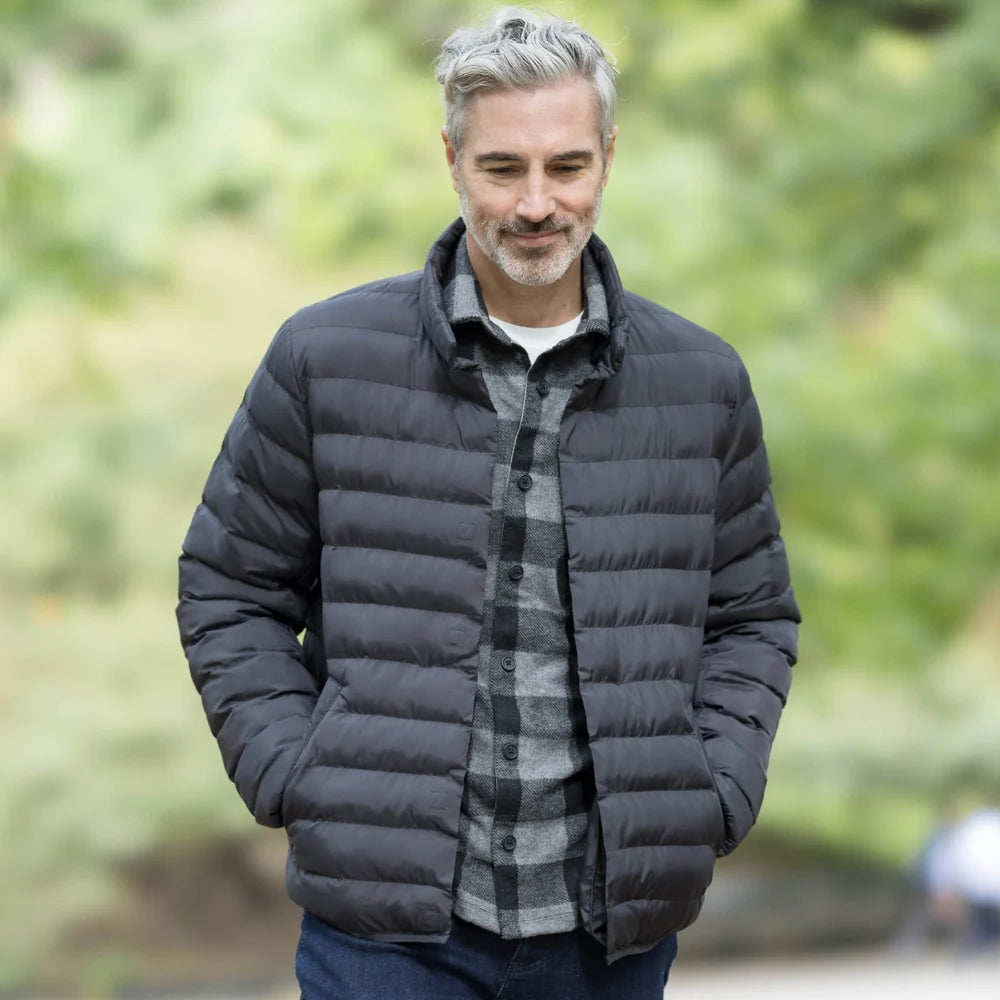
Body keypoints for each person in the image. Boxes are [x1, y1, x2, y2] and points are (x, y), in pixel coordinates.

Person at [176, 9, 800, 998]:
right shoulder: (325, 358)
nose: (537, 203)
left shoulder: (702, 381)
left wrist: (709, 793)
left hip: (613, 931)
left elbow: (751, 614)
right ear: (453, 159)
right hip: (384, 932)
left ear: (608, 158)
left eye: (567, 165)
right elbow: (229, 587)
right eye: (503, 167)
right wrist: (298, 776)